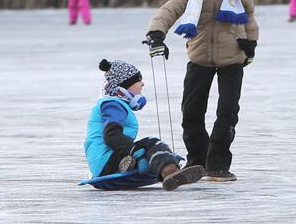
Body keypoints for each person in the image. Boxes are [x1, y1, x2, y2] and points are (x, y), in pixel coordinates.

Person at [145, 0, 258, 182]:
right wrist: (156, 32)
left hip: (232, 55)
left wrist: (251, 44)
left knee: (227, 112)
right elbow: (172, 8)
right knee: (191, 111)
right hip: (199, 55)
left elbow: (249, 14)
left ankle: (218, 164)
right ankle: (198, 160)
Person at [84, 59, 205, 191]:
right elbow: (111, 135)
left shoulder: (113, 103)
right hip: (106, 161)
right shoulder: (113, 105)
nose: (142, 83)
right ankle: (170, 172)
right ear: (125, 85)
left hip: (103, 163)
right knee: (152, 143)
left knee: (148, 151)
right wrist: (136, 152)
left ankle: (131, 163)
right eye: (138, 80)